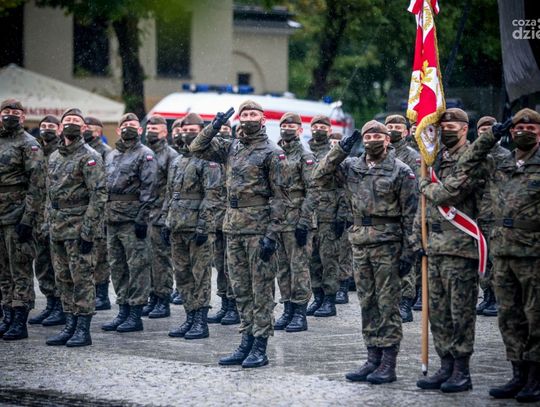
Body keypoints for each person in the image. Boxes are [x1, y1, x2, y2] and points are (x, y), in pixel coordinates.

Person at [436, 108, 540, 402]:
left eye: (531, 129)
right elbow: (467, 160)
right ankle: (517, 374)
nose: (523, 132)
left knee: (535, 316)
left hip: (533, 252)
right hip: (503, 251)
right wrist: (490, 136)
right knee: (509, 317)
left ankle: (535, 377)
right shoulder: (499, 162)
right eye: (518, 128)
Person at [314, 121, 417, 384]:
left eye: (377, 136)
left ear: (387, 140)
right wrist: (340, 150)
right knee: (367, 302)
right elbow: (319, 176)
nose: (372, 140)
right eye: (368, 136)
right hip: (360, 242)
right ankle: (372, 358)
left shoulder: (401, 170)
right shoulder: (352, 166)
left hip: (388, 243)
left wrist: (409, 251)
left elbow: (411, 215)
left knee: (387, 304)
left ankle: (388, 362)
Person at [189, 101, 290, 368]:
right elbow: (196, 148)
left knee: (261, 290)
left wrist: (272, 233)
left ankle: (260, 346)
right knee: (240, 289)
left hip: (259, 229)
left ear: (263, 119)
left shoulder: (273, 152)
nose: (248, 118)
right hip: (233, 227)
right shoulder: (231, 147)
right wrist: (213, 126)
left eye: (253, 114)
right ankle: (246, 340)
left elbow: (281, 197)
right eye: (244, 114)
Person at [416, 108, 491, 393]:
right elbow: (424, 207)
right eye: (443, 125)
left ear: (464, 128)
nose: (446, 129)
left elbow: (448, 194)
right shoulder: (435, 159)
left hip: (460, 249)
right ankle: (445, 365)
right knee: (438, 312)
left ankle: (461, 370)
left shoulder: (472, 159)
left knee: (460, 313)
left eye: (452, 125)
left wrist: (425, 184)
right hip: (435, 247)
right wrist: (418, 240)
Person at [45, 108, 107, 347]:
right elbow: (50, 194)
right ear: (60, 128)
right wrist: (47, 223)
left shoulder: (90, 156)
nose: (71, 124)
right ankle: (69, 324)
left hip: (79, 227)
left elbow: (98, 195)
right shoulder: (54, 157)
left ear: (84, 128)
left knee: (81, 279)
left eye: (76, 121)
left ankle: (83, 328)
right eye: (67, 120)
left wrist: (88, 231)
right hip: (58, 227)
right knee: (63, 278)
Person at [161, 113, 220, 340]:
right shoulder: (177, 161)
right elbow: (170, 195)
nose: (187, 133)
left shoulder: (208, 160)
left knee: (200, 275)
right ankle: (189, 315)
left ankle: (200, 322)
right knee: (182, 274)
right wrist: (166, 222)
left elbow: (211, 196)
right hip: (177, 226)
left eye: (193, 130)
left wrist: (203, 226)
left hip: (197, 228)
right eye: (185, 130)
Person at [101, 113, 157, 333]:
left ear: (140, 130)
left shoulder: (145, 154)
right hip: (112, 219)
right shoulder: (111, 155)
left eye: (133, 125)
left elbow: (149, 188)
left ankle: (135, 314)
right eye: (124, 125)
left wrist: (142, 218)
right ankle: (123, 310)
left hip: (132, 220)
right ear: (118, 130)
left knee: (137, 267)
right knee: (117, 267)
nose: (128, 128)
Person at [0, 99, 44, 340]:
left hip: (17, 216)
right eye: (6, 112)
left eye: (15, 112)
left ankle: (20, 319)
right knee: (3, 271)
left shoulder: (29, 144)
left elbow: (37, 185)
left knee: (20, 270)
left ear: (23, 117)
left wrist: (28, 219)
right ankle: (6, 314)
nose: (10, 116)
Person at [274, 112, 316, 332]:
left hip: (298, 218)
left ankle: (300, 312)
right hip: (278, 219)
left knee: (298, 267)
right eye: (284, 125)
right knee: (282, 267)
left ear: (300, 130)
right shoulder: (275, 153)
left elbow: (313, 190)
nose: (287, 129)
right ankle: (288, 308)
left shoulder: (305, 155)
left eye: (292, 126)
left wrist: (304, 221)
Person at [29, 115, 66, 327]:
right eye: (43, 126)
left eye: (51, 126)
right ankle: (50, 303)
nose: (47, 129)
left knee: (56, 263)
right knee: (42, 262)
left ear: (59, 129)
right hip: (36, 213)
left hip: (55, 214)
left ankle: (60, 305)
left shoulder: (62, 151)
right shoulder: (34, 150)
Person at [474, 115, 511, 318]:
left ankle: (497, 297)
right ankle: (487, 295)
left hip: (496, 215)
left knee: (495, 257)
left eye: (490, 129)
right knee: (483, 258)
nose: (486, 132)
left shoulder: (505, 156)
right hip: (477, 214)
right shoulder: (474, 154)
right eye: (482, 130)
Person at [385, 114, 421, 323]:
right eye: (389, 126)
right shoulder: (379, 155)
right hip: (384, 216)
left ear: (406, 132)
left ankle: (406, 302)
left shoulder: (412, 156)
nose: (393, 130)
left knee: (406, 259)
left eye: (397, 127)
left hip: (405, 215)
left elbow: (417, 188)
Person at [141, 115, 178, 319]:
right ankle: (153, 297)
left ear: (165, 132)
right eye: (149, 129)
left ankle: (163, 299)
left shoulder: (170, 155)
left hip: (161, 214)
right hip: (145, 214)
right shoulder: (144, 153)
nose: (151, 132)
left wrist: (166, 216)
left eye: (156, 129)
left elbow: (172, 189)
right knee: (148, 259)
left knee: (161, 259)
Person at [307, 115, 343, 317]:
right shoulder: (305, 152)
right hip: (309, 214)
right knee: (312, 260)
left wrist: (342, 214)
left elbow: (343, 187)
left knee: (328, 259)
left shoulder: (335, 154)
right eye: (315, 126)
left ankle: (330, 300)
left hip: (329, 214)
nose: (318, 129)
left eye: (323, 126)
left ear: (329, 131)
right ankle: (318, 297)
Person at [207, 120, 240, 325]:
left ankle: (234, 306)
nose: (223, 134)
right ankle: (225, 304)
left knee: (232, 265)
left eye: (227, 130)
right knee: (220, 264)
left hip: (233, 219)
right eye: (221, 131)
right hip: (215, 219)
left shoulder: (235, 155)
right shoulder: (210, 158)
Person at [83, 116, 113, 311]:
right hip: (82, 209)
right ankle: (91, 291)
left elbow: (106, 183)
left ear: (99, 131)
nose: (86, 130)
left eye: (90, 127)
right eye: (84, 127)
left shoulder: (105, 152)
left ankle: (102, 295)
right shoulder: (81, 150)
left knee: (101, 255)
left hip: (100, 210)